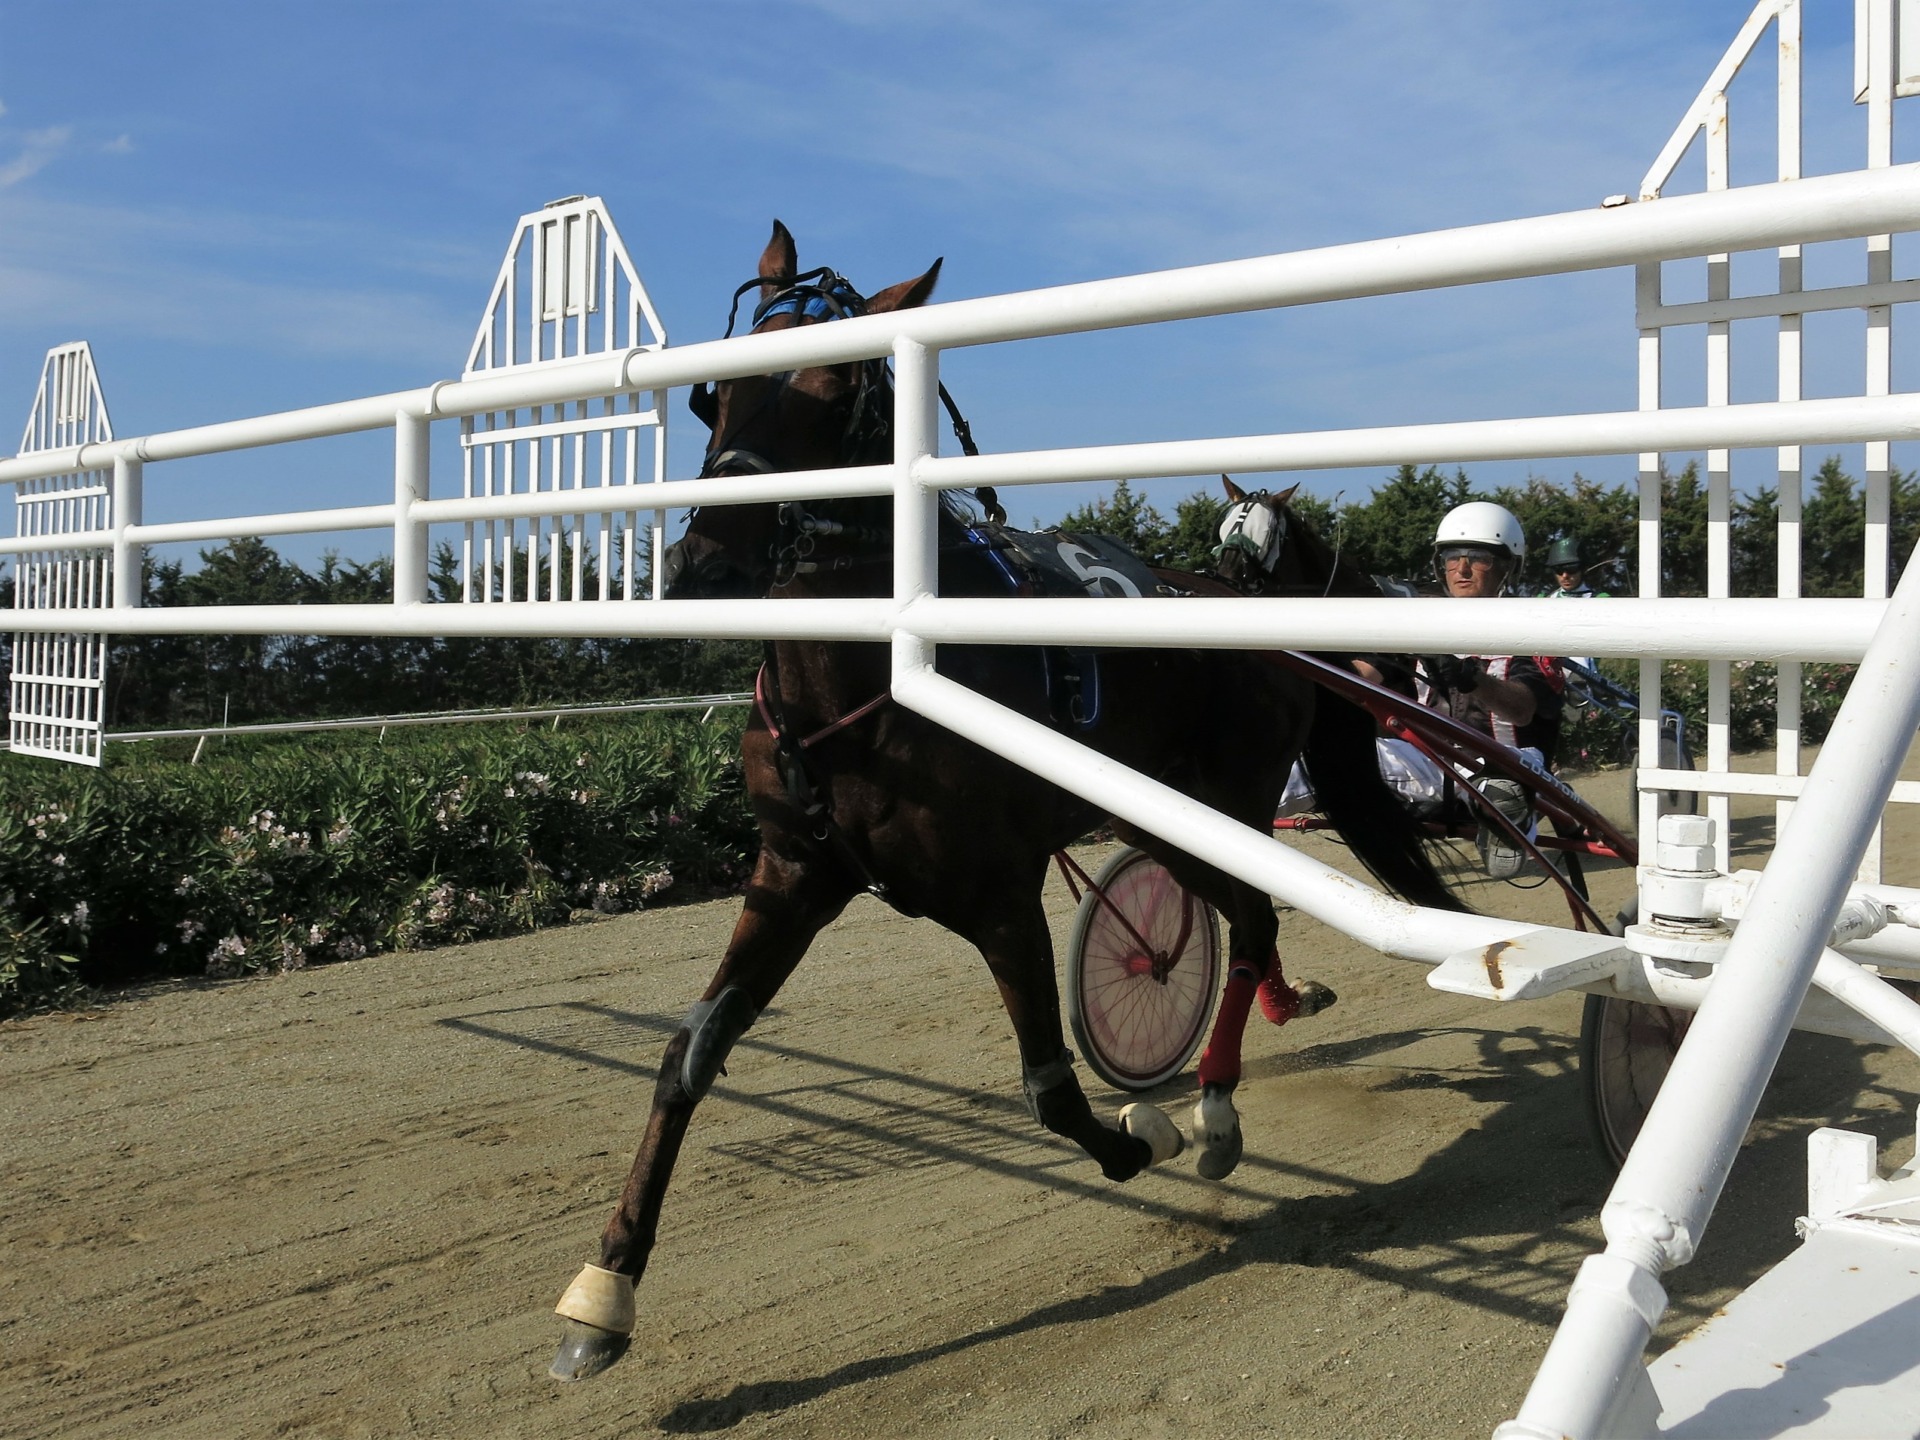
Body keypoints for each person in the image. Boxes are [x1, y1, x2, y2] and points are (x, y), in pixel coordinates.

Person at [1357, 501, 1565, 878]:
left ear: (1507, 567)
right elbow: (1361, 678)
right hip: (1430, 765)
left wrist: (1470, 677)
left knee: (1508, 775)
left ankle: (1504, 816)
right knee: (1321, 753)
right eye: (1453, 558)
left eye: (1478, 558)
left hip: (1508, 764)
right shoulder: (1419, 620)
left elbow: (1522, 710)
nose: (1462, 569)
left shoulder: (1533, 626)